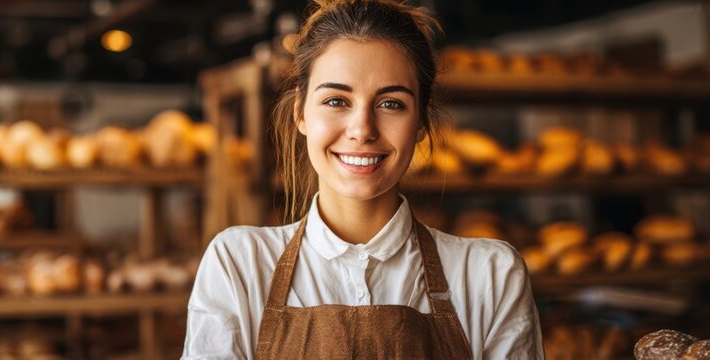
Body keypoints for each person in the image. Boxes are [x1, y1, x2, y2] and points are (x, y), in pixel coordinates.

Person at [182, 0, 543, 358]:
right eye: (337, 101)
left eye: (391, 104)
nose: (362, 130)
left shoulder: (489, 276)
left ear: (420, 123)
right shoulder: (239, 266)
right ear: (300, 114)